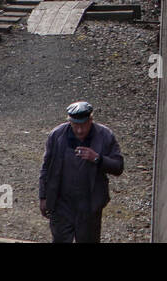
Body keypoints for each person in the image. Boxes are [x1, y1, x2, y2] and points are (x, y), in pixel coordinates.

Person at [39, 100, 124, 243]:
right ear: (69, 122)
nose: (79, 130)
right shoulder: (57, 136)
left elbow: (118, 166)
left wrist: (97, 158)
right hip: (62, 204)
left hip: (89, 206)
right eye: (75, 125)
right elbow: (46, 167)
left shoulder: (105, 136)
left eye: (83, 125)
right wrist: (43, 196)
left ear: (91, 120)